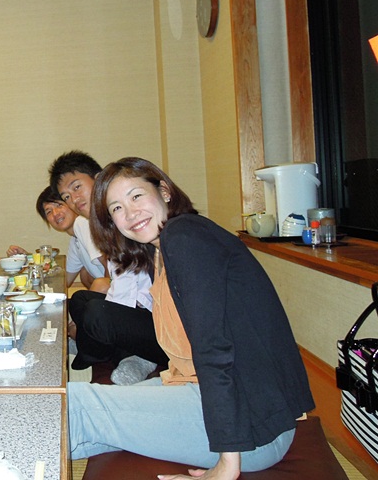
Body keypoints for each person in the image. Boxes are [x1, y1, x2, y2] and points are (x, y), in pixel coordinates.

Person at [69, 157, 314, 478]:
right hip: (215, 399)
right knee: (75, 423)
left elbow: (213, 348)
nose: (129, 213)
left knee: (71, 405)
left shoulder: (184, 236)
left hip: (252, 426)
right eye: (116, 208)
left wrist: (227, 465)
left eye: (136, 196)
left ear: (164, 192)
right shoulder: (158, 252)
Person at [50, 151, 164, 380]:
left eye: (77, 187)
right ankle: (96, 347)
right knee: (80, 300)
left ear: (99, 178)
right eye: (66, 196)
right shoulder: (107, 225)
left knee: (96, 313)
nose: (74, 199)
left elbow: (127, 289)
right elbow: (120, 286)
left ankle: (118, 355)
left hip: (161, 325)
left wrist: (98, 322)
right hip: (139, 309)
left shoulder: (129, 222)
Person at [6, 187, 94, 289]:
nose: (55, 213)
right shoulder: (75, 241)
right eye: (49, 211)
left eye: (59, 205)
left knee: (88, 278)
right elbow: (64, 280)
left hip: (110, 288)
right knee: (85, 275)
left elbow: (107, 268)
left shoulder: (85, 224)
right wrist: (27, 259)